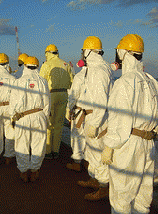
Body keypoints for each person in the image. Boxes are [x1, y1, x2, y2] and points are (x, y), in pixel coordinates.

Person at [103, 34, 158, 213]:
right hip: (148, 143)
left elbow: (119, 120)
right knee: (143, 195)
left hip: (129, 144)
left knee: (121, 196)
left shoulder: (124, 83)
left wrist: (109, 147)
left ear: (124, 53)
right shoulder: (152, 81)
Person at [66, 36, 113, 200]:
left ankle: (103, 187)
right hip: (91, 117)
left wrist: (94, 124)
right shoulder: (97, 69)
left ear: (88, 51)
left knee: (98, 154)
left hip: (96, 120)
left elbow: (100, 100)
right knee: (92, 153)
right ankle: (95, 180)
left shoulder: (98, 71)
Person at [9, 56, 51, 182]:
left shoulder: (18, 82)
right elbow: (47, 103)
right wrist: (45, 118)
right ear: (37, 67)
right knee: (38, 145)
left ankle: (23, 171)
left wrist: (13, 117)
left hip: (22, 117)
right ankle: (35, 171)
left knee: (22, 145)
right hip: (39, 116)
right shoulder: (43, 82)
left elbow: (13, 103)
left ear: (25, 67)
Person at [39, 44, 73, 159]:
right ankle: (56, 151)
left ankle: (48, 151)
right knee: (58, 124)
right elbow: (71, 81)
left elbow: (41, 82)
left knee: (48, 124)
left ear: (47, 53)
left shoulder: (47, 65)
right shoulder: (66, 64)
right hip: (64, 95)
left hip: (51, 95)